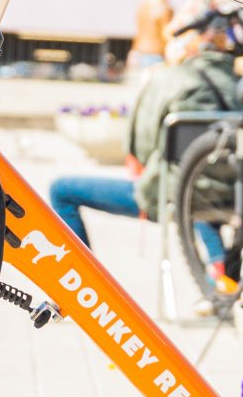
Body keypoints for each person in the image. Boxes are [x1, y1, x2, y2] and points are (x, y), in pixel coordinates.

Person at [45, 36, 233, 261]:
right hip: (229, 195)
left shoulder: (171, 79)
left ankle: (82, 274)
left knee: (61, 190)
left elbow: (139, 148)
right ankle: (219, 267)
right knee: (201, 191)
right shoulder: (238, 83)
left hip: (174, 194)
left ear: (186, 50)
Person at [129, 0, 176, 68]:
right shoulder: (166, 10)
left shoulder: (143, 7)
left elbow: (139, 32)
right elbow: (167, 34)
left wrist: (134, 51)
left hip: (140, 53)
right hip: (158, 54)